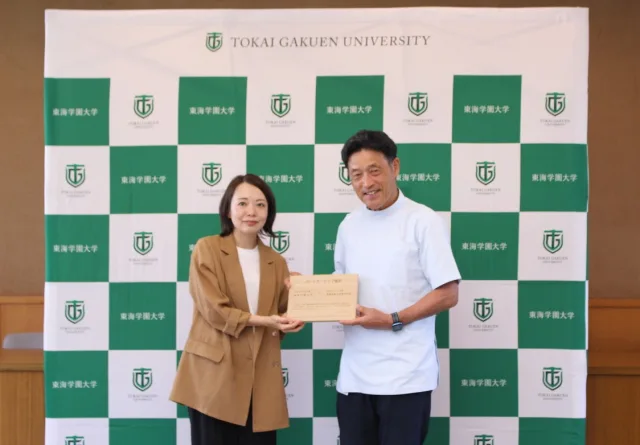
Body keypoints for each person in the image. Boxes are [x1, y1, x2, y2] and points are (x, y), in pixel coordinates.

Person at [334, 129, 461, 445]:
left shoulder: (423, 220)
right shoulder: (348, 226)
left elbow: (448, 293)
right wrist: (303, 292)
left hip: (406, 377)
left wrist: (392, 319)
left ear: (395, 167)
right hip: (355, 377)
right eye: (356, 175)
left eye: (374, 170)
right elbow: (340, 289)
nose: (366, 183)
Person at [170, 173, 304, 445]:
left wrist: (298, 302)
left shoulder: (276, 261)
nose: (251, 211)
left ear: (269, 213)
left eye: (260, 204)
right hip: (213, 378)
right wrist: (267, 321)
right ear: (228, 210)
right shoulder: (207, 248)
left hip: (259, 381)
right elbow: (215, 311)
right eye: (242, 203)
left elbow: (281, 315)